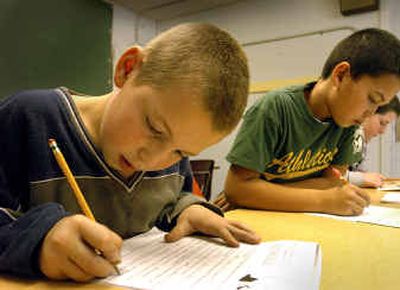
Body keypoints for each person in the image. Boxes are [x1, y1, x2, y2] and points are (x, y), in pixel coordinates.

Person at [0, 23, 261, 282]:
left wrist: (186, 209)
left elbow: (170, 198)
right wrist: (35, 240)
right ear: (128, 69)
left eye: (180, 152)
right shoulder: (28, 118)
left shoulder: (167, 149)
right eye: (155, 128)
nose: (154, 161)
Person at [222, 28, 400, 217]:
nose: (370, 113)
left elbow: (334, 181)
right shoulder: (276, 108)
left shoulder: (348, 123)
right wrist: (324, 200)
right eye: (372, 98)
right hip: (250, 219)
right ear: (340, 75)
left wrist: (263, 190)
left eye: (380, 105)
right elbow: (237, 189)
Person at [348, 97, 400, 187]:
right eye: (382, 123)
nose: (382, 131)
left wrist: (367, 178)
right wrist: (361, 178)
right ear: (368, 113)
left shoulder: (362, 141)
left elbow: (359, 171)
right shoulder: (348, 134)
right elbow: (333, 176)